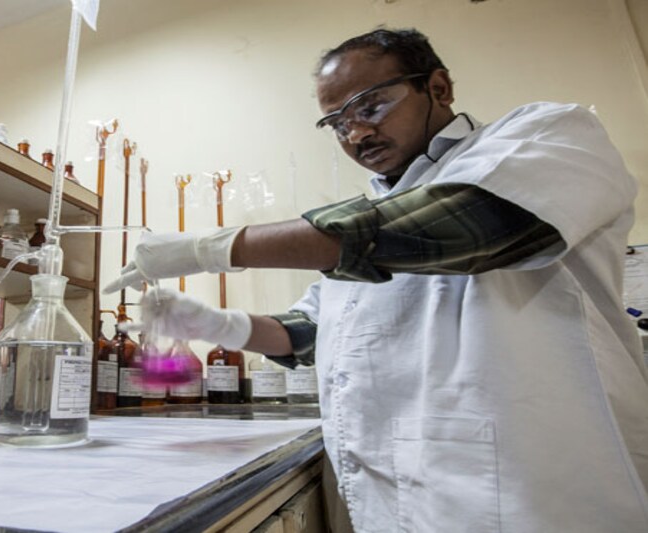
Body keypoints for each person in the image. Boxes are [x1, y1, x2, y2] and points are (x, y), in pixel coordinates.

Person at [104, 28, 648, 532]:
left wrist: (213, 247)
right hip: (396, 499)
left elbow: (466, 224)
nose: (357, 132)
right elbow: (309, 333)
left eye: (372, 105)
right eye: (338, 121)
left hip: (532, 494)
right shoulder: (366, 220)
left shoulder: (545, 134)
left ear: (437, 87)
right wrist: (212, 322)